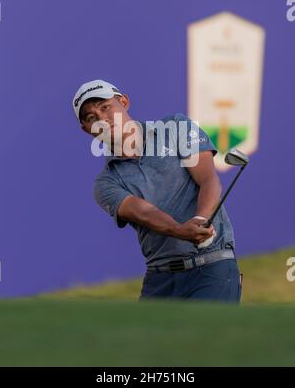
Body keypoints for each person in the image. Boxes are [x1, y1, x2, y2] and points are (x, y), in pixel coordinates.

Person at [73, 79, 242, 302]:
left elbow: (208, 180)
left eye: (106, 107)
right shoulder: (106, 184)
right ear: (87, 130)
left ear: (124, 102)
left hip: (212, 266)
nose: (102, 119)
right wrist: (181, 230)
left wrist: (200, 220)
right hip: (160, 278)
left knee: (205, 337)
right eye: (92, 118)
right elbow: (145, 213)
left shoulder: (176, 128)